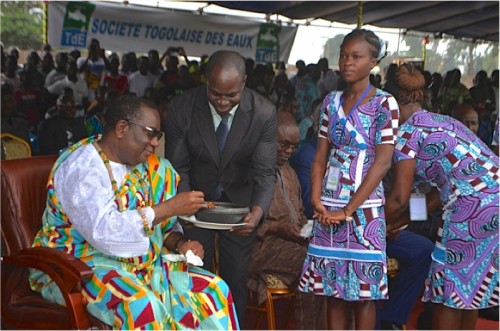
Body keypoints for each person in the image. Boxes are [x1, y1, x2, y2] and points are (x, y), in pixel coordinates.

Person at [29, 95, 239, 329]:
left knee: (213, 290)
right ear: (122, 128)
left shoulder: (150, 168)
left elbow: (161, 230)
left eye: (158, 135)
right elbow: (104, 233)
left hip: (144, 265)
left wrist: (181, 244)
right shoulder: (83, 167)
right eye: (150, 133)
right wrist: (169, 208)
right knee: (141, 305)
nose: (155, 143)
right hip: (80, 267)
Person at [165, 50, 277, 325]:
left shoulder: (263, 112)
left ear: (244, 83)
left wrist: (257, 212)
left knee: (234, 279)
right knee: (189, 275)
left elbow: (265, 173)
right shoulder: (182, 107)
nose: (223, 102)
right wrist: (184, 209)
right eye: (215, 94)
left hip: (240, 207)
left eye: (231, 95)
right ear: (206, 82)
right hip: (193, 202)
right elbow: (178, 167)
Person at [298, 29, 399, 330]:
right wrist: (316, 199)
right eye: (344, 55)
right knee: (333, 292)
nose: (347, 62)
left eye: (356, 57)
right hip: (328, 206)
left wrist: (348, 210)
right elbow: (319, 157)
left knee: (363, 294)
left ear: (373, 62)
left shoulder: (385, 104)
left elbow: (382, 163)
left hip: (364, 210)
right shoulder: (331, 101)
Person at [385, 63, 499, 330]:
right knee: (470, 288)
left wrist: (372, 225)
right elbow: (436, 195)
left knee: (448, 291)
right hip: (495, 198)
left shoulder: (406, 134)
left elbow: (400, 197)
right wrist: (397, 222)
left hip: (469, 205)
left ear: (389, 102)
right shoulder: (444, 121)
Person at [247, 111, 326, 329]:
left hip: (292, 242)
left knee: (329, 257)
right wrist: (276, 227)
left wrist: (308, 228)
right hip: (261, 247)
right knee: (313, 264)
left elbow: (299, 213)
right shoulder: (249, 171)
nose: (289, 151)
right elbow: (240, 221)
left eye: (293, 146)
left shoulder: (290, 172)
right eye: (283, 145)